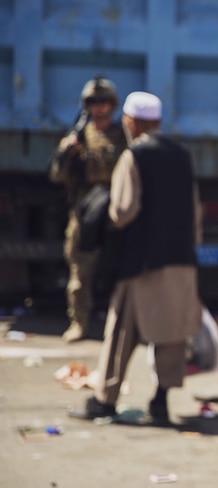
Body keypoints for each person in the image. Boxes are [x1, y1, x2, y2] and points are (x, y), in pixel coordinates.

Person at [68, 91, 202, 425]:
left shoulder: (135, 155)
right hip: (180, 259)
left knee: (121, 330)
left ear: (132, 121)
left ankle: (106, 399)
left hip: (142, 261)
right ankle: (161, 402)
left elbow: (124, 211)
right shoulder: (182, 155)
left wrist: (106, 219)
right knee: (172, 334)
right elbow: (195, 211)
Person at [49, 76, 128, 342]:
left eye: (103, 101)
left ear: (112, 104)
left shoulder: (122, 136)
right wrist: (66, 154)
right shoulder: (78, 136)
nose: (98, 107)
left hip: (116, 209)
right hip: (86, 210)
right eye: (93, 102)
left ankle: (123, 325)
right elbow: (57, 175)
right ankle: (79, 322)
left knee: (123, 271)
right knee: (79, 270)